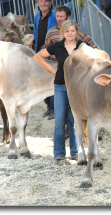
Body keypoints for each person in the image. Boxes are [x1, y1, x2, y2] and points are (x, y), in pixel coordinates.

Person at [33, 20, 80, 166]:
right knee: (60, 120)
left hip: (77, 87)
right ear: (63, 33)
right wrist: (50, 69)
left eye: (72, 31)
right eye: (67, 31)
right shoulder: (57, 46)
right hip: (60, 86)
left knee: (75, 121)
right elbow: (37, 56)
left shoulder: (82, 47)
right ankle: (59, 154)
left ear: (76, 32)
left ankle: (76, 152)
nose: (70, 33)